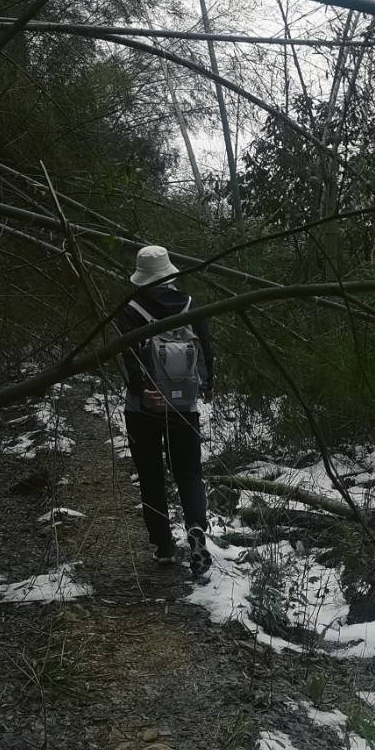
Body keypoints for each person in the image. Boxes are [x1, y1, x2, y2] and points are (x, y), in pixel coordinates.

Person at [114, 244, 214, 577]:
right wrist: (206, 384)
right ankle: (196, 528)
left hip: (143, 408)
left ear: (141, 276)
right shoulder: (188, 303)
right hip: (184, 402)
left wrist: (141, 392)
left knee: (151, 476)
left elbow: (127, 357)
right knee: (189, 472)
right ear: (169, 273)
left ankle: (163, 547)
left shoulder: (128, 310)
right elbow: (206, 347)